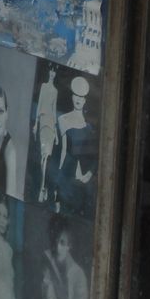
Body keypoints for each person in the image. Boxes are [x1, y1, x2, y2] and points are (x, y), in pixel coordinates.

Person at [56, 75, 98, 217]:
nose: (78, 99)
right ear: (72, 96)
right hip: (66, 177)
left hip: (83, 182)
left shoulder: (89, 127)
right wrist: (59, 178)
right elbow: (62, 152)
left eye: (82, 97)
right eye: (76, 95)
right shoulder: (63, 119)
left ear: (85, 100)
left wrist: (89, 175)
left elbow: (94, 157)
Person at [31, 67, 62, 205]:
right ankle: (42, 188)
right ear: (48, 72)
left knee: (47, 157)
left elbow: (54, 110)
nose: (52, 73)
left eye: (54, 71)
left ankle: (42, 189)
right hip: (43, 122)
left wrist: (56, 132)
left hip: (50, 124)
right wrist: (36, 124)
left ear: (55, 74)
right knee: (43, 157)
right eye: (50, 70)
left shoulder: (55, 91)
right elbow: (39, 105)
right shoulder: (43, 86)